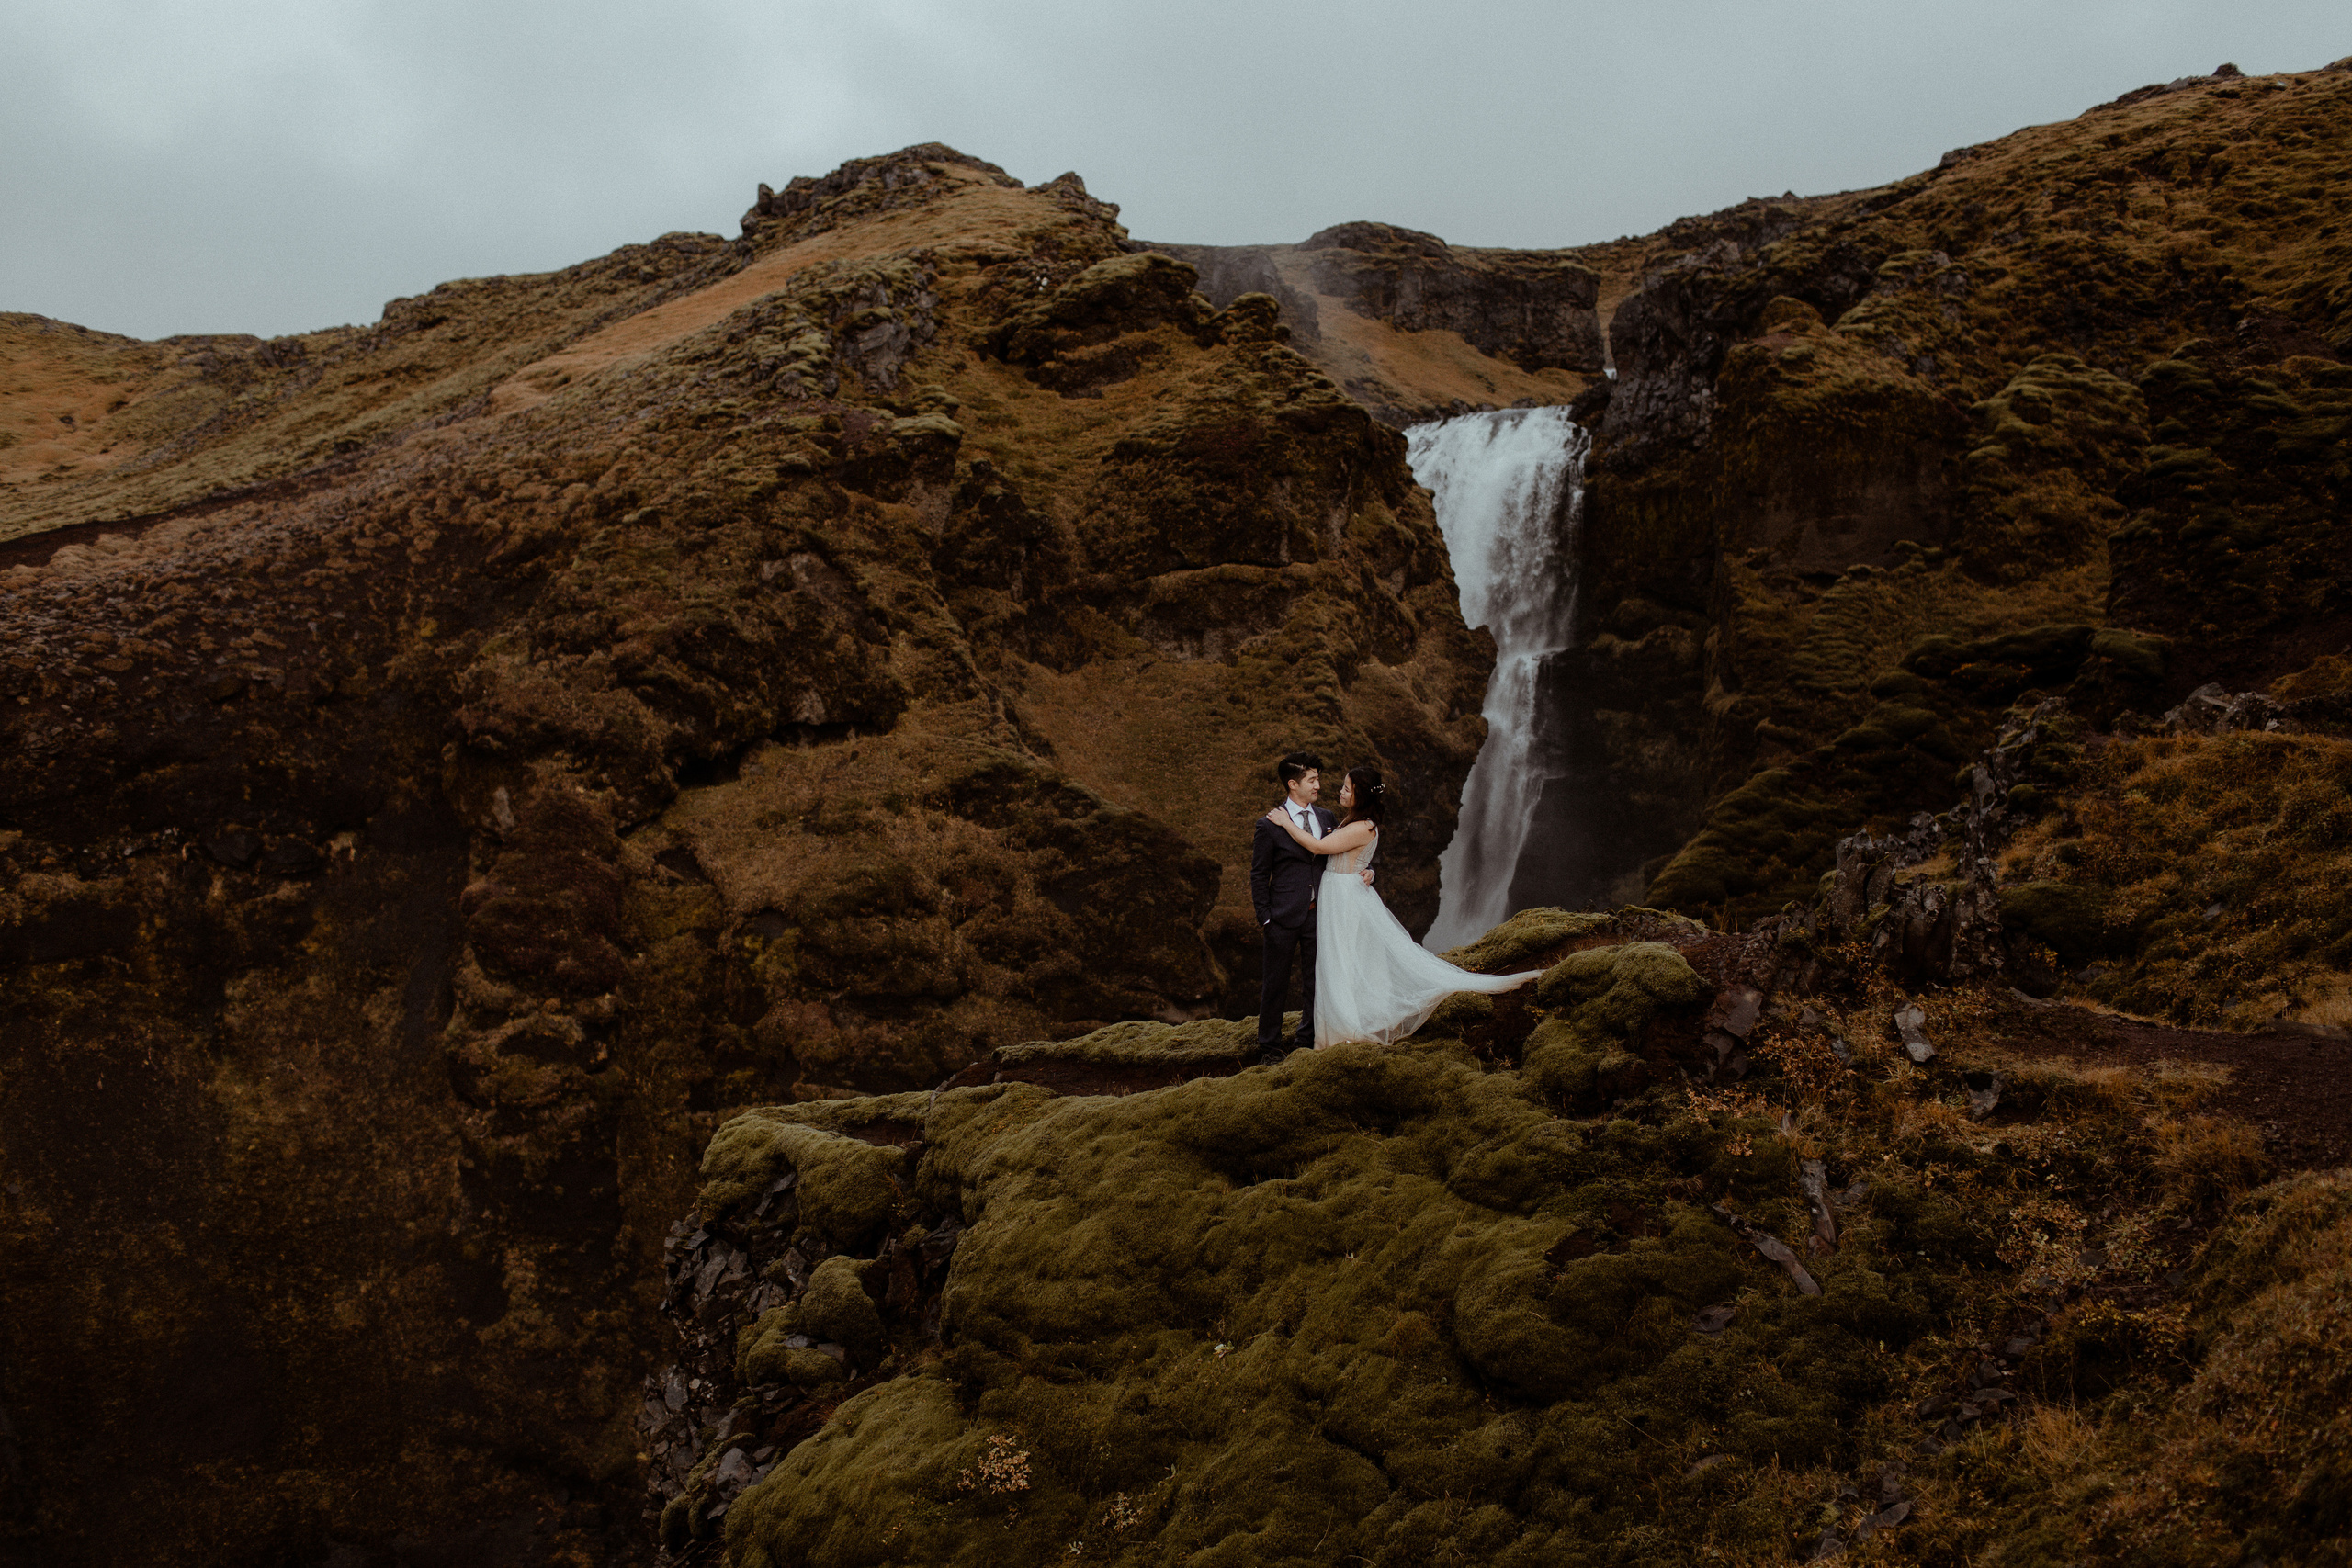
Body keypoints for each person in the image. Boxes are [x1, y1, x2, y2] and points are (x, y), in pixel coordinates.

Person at [1264, 764, 1542, 1048]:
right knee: (1338, 959)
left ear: (1360, 795)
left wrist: (1286, 823)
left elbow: (1319, 848)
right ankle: (1337, 1024)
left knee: (1342, 959)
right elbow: (1348, 853)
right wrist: (1368, 869)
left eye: (1347, 788)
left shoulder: (1363, 826)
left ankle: (1346, 1028)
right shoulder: (1351, 819)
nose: (1339, 790)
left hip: (1344, 897)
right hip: (1339, 893)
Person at [1250, 751, 1333, 1065]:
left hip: (1319, 914)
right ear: (1292, 784)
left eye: (1318, 779)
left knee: (1315, 981)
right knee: (1275, 983)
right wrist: (1266, 917)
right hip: (1281, 918)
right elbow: (1259, 873)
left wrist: (1369, 871)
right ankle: (1269, 1047)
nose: (1318, 786)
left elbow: (1337, 857)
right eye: (1312, 780)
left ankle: (1306, 1040)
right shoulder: (1269, 825)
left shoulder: (1326, 818)